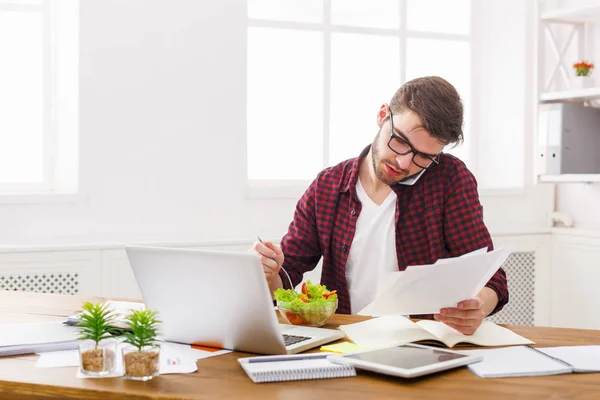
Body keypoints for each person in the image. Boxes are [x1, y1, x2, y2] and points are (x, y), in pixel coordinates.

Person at [253, 76, 508, 335]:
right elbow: (285, 277)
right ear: (383, 115)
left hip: (423, 344)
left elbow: (491, 278)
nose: (404, 163)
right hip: (345, 342)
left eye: (424, 157)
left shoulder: (450, 180)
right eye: (400, 141)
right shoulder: (328, 187)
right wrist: (267, 271)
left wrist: (479, 306)